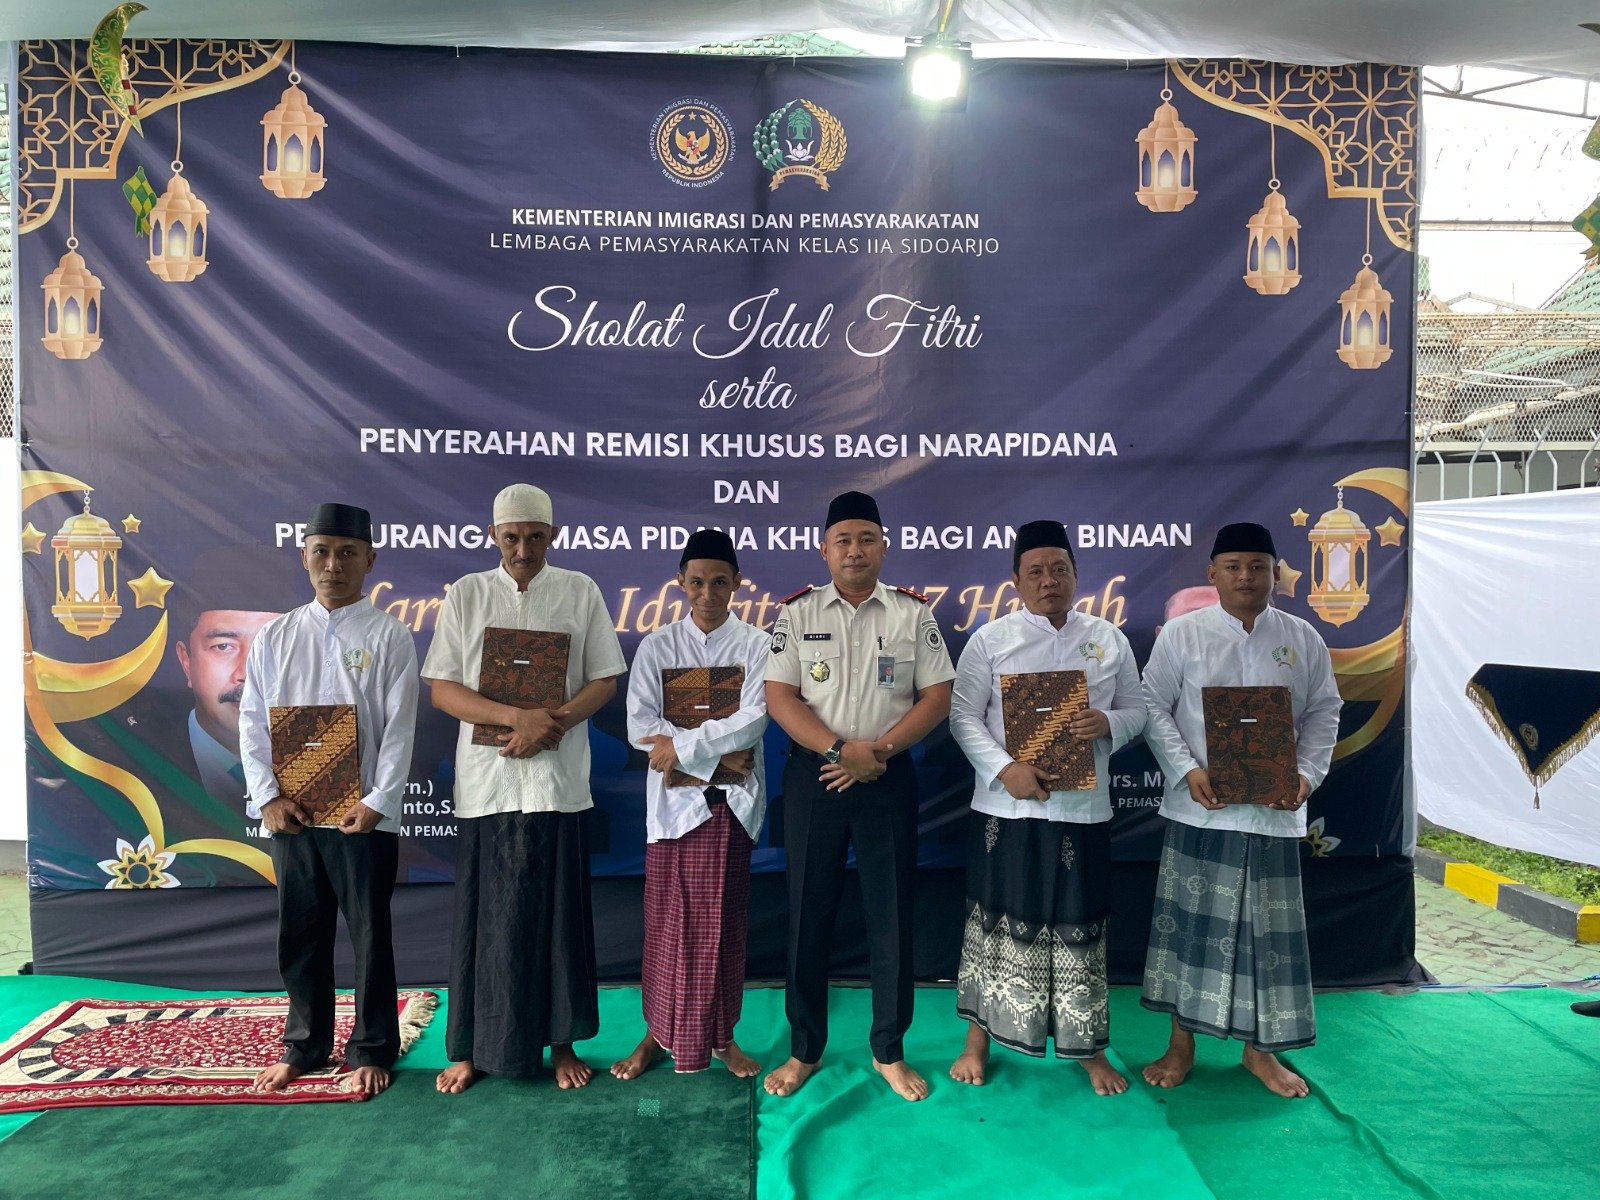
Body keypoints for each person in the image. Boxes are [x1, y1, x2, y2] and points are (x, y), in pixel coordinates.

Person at [426, 484, 627, 1094]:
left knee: (559, 920)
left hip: (556, 781)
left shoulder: (579, 590)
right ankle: (470, 1048)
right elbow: (443, 689)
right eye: (511, 537)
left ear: (552, 536)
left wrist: (551, 724)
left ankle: (561, 1043)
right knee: (483, 921)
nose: (522, 549)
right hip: (488, 784)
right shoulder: (467, 594)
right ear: (493, 535)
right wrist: (517, 718)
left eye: (535, 537)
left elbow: (604, 679)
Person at [763, 490, 955, 1103]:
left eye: (866, 539)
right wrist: (838, 752)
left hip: (886, 774)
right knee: (807, 914)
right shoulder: (796, 613)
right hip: (816, 776)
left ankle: (889, 1050)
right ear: (824, 551)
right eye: (842, 540)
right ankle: (804, 1048)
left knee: (891, 914)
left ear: (883, 547)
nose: (854, 550)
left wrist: (877, 753)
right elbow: (780, 696)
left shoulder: (912, 614)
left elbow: (937, 696)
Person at [1139, 522, 1342, 1098]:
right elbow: (1151, 704)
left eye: (1258, 566)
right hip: (1201, 809)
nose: (1246, 576)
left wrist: (1306, 775)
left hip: (1273, 811)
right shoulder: (1183, 635)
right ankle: (1180, 1046)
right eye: (1233, 566)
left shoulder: (1302, 637)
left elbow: (1325, 710)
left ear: (1275, 573)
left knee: (1268, 938)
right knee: (1189, 931)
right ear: (1213, 574)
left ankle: (1262, 1053)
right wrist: (1187, 769)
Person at [946, 520, 1146, 1095]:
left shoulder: (1108, 638)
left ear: (1076, 575)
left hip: (1082, 811)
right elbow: (962, 717)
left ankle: (1090, 1050)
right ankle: (977, 1041)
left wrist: (1108, 722)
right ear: (1016, 580)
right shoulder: (991, 640)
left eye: (1059, 569)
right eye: (1035, 571)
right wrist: (1005, 768)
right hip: (1006, 811)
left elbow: (1139, 711)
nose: (1048, 580)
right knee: (995, 925)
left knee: (1080, 927)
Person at [240, 503, 419, 1098]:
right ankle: (304, 1044)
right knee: (300, 933)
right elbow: (252, 723)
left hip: (361, 816)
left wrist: (378, 800)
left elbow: (400, 728)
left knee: (370, 934)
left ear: (370, 559)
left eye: (347, 553)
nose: (333, 564)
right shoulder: (276, 636)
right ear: (304, 557)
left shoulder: (389, 635)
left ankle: (372, 1047)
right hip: (293, 815)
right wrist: (268, 798)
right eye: (321, 551)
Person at [612, 529, 769, 1080]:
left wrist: (681, 750)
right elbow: (640, 727)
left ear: (737, 584)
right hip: (673, 810)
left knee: (724, 924)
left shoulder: (757, 645)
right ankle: (656, 1035)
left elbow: (755, 718)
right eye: (697, 582)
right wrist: (713, 758)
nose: (708, 593)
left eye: (719, 582)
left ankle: (722, 1037)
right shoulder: (657, 647)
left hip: (731, 805)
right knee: (667, 926)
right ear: (680, 582)